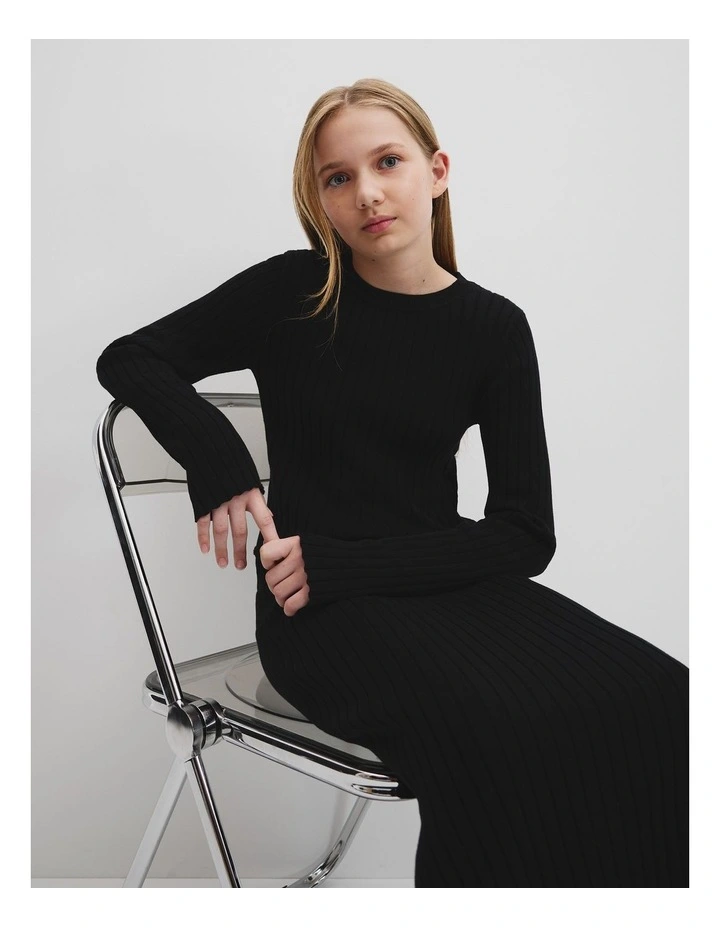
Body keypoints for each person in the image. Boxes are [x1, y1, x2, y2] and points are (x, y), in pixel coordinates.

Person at [96, 77, 689, 888]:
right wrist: (219, 458)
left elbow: (526, 533)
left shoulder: (494, 327)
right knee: (498, 729)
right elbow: (130, 358)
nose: (367, 193)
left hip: (434, 584)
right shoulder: (293, 294)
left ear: (436, 171)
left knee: (665, 695)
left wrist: (350, 562)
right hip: (314, 612)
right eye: (338, 178)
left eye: (387, 162)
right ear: (321, 200)